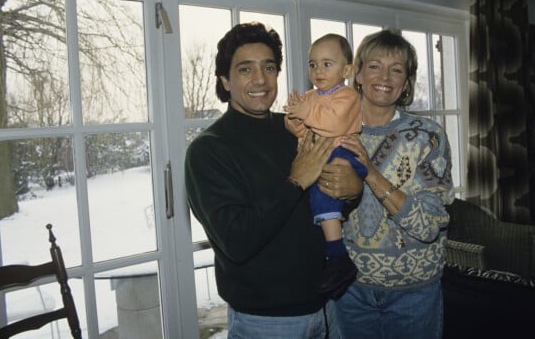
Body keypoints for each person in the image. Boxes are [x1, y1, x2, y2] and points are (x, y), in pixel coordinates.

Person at [184, 22, 363, 339]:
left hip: (331, 307)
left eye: (269, 67)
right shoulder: (209, 149)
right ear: (225, 81)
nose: (260, 79)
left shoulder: (297, 127)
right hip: (268, 323)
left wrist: (352, 191)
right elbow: (237, 241)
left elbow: (331, 202)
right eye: (244, 69)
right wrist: (295, 181)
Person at [335, 29, 454, 339]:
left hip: (414, 294)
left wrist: (371, 172)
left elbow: (429, 225)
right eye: (374, 65)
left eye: (396, 69)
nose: (384, 76)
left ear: (406, 81)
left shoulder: (428, 136)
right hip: (349, 291)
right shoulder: (333, 131)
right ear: (357, 72)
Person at [284, 34, 368, 298]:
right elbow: (300, 131)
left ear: (346, 70)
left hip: (344, 155)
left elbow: (333, 123)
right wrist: (293, 118)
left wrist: (305, 112)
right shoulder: (309, 96)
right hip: (322, 155)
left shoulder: (348, 96)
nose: (318, 71)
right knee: (312, 199)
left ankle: (338, 257)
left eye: (327, 64)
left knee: (323, 195)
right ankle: (330, 254)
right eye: (312, 64)